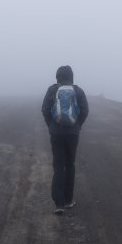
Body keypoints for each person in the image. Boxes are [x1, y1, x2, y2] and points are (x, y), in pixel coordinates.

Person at [41, 65, 89, 215]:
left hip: (56, 132)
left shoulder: (52, 90)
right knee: (70, 165)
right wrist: (77, 125)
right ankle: (68, 201)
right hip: (72, 133)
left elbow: (45, 109)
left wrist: (51, 125)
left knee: (58, 165)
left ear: (57, 77)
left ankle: (59, 204)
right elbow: (85, 110)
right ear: (71, 76)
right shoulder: (78, 90)